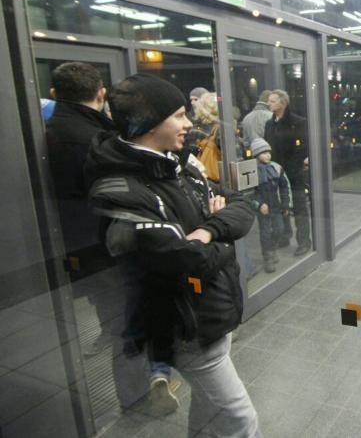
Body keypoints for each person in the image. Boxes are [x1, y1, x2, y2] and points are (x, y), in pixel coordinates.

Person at [85, 74, 261, 436]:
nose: (188, 123)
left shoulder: (176, 163)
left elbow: (242, 204)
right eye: (179, 115)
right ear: (149, 123)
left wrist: (210, 228)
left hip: (211, 312)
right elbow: (184, 260)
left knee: (209, 409)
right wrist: (224, 239)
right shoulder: (119, 189)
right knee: (240, 419)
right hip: (185, 327)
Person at [45, 62, 117, 356]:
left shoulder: (42, 133)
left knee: (103, 299)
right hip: (106, 239)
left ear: (53, 93)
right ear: (101, 94)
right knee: (123, 307)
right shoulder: (100, 140)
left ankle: (108, 332)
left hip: (70, 240)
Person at [264, 89, 311, 257]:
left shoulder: (298, 122)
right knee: (280, 205)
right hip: (276, 174)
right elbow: (268, 147)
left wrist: (288, 168)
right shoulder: (270, 124)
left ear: (282, 103)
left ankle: (304, 241)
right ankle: (285, 236)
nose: (268, 103)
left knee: (299, 207)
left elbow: (302, 148)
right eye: (268, 101)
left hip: (293, 173)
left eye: (272, 101)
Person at [250, 137, 292, 273]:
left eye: (268, 152)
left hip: (276, 206)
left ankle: (272, 249)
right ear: (256, 155)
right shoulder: (252, 171)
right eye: (263, 152)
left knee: (279, 229)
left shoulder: (276, 167)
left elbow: (284, 187)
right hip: (263, 209)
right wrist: (259, 204)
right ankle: (267, 256)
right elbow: (249, 193)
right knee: (266, 233)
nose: (267, 155)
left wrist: (285, 205)